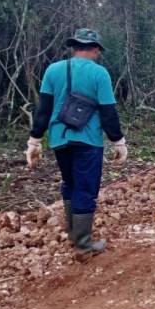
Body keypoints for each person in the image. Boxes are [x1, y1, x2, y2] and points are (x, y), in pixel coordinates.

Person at [26, 28, 127, 255]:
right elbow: (108, 112)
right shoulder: (100, 73)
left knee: (70, 183)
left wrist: (34, 140)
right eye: (97, 50)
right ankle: (83, 244)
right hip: (88, 140)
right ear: (94, 49)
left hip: (59, 140)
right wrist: (118, 141)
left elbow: (43, 109)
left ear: (74, 47)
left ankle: (74, 234)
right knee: (85, 187)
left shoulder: (53, 70)